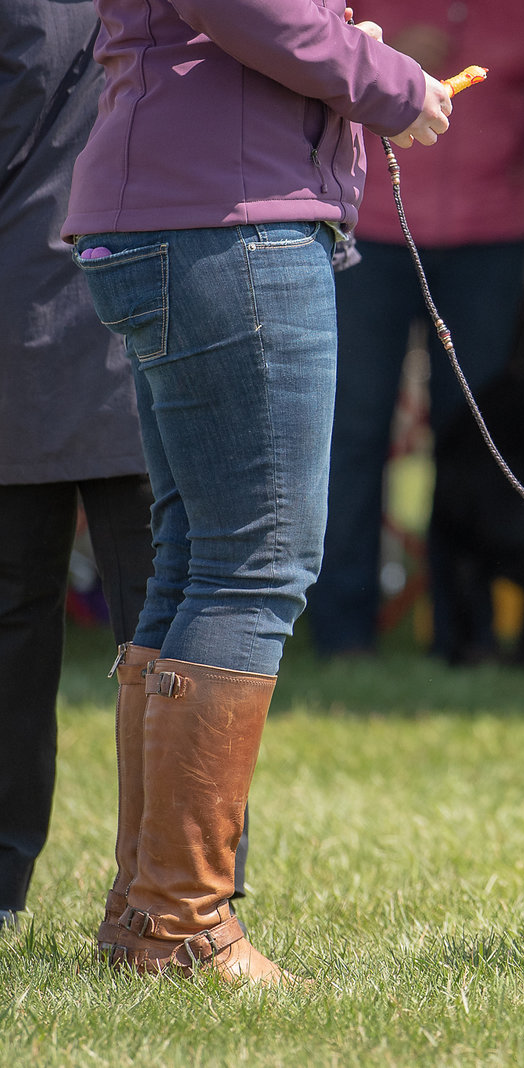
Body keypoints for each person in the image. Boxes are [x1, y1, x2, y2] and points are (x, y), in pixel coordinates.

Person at [63, 0, 452, 983]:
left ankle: (148, 912)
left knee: (198, 560)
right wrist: (388, 84)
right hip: (224, 222)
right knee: (255, 565)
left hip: (168, 211)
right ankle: (182, 930)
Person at [307, 0, 524, 664]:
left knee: (474, 440)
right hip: (372, 228)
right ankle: (343, 632)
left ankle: (463, 635)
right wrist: (376, 60)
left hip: (490, 238)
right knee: (355, 428)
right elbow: (309, 57)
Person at [0, 0, 154, 933]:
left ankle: (4, 884)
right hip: (155, 303)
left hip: (26, 311)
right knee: (172, 616)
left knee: (14, 618)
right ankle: (186, 889)